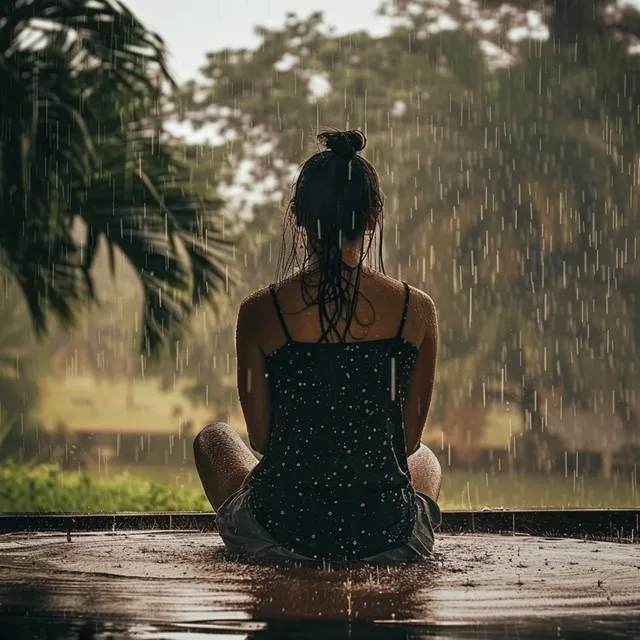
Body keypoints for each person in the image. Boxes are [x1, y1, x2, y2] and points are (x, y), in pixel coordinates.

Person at [194, 128, 441, 563]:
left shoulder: (259, 312)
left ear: (300, 218)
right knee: (426, 459)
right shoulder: (416, 311)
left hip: (282, 532)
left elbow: (264, 439)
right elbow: (405, 443)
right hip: (387, 537)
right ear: (371, 219)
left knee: (213, 438)